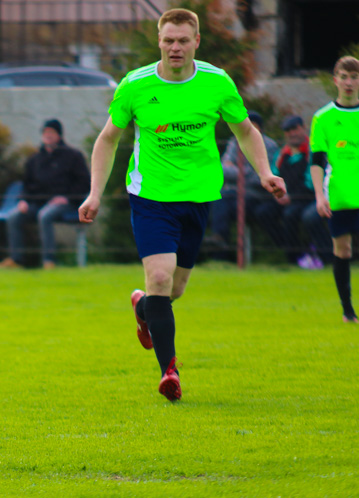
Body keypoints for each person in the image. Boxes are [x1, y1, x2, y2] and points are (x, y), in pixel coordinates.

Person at [78, 8, 286, 401]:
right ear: (159, 40)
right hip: (151, 196)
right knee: (158, 278)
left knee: (174, 290)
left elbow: (245, 129)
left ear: (196, 42)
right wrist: (95, 193)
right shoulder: (135, 85)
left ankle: (143, 310)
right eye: (168, 40)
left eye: (182, 40)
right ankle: (168, 372)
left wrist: (265, 172)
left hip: (198, 196)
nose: (175, 47)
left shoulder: (216, 82)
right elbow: (108, 139)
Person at [0, 118, 90, 269]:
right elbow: (26, 184)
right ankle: (16, 260)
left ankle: (49, 261)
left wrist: (66, 198)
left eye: (52, 132)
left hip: (66, 204)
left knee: (45, 216)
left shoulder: (73, 156)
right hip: (37, 203)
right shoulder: (35, 160)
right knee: (13, 217)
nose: (48, 136)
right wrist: (23, 200)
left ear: (59, 135)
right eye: (45, 133)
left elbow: (84, 183)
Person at [310, 55, 359, 323]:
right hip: (338, 195)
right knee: (343, 251)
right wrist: (319, 195)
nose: (349, 82)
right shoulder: (323, 118)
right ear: (335, 80)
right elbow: (317, 160)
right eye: (344, 76)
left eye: (354, 77)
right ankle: (348, 310)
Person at [209, 111, 287, 260]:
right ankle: (219, 248)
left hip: (258, 197)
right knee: (219, 199)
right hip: (235, 194)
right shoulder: (234, 142)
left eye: (252, 124)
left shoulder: (269, 145)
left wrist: (238, 170)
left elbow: (262, 175)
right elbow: (222, 170)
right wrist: (248, 170)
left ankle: (284, 255)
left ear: (260, 128)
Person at [276, 114, 331, 269]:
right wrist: (277, 192)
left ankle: (327, 258)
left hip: (310, 197)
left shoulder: (312, 150)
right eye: (288, 130)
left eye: (295, 129)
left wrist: (290, 196)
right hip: (287, 197)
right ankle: (295, 255)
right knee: (264, 212)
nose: (291, 133)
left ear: (303, 129)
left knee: (303, 216)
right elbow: (275, 174)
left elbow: (311, 180)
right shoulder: (282, 154)